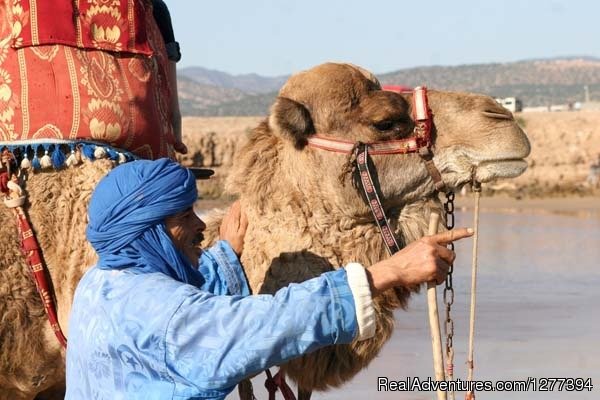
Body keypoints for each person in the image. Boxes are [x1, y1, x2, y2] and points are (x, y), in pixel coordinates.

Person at [65, 158, 473, 399]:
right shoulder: (164, 315)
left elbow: (184, 314)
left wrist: (226, 254)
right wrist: (389, 272)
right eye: (183, 217)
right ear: (149, 230)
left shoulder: (101, 282)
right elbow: (265, 324)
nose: (199, 226)